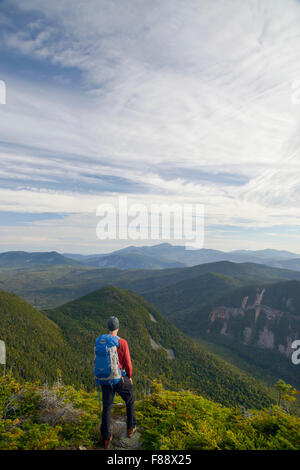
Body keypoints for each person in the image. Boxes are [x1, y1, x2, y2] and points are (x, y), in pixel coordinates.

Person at [100, 316, 137, 448]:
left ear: (108, 327)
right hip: (120, 378)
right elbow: (128, 363)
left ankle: (106, 437)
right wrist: (130, 377)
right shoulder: (122, 342)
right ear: (118, 328)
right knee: (130, 399)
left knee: (107, 408)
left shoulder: (102, 341)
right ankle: (130, 428)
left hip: (105, 379)